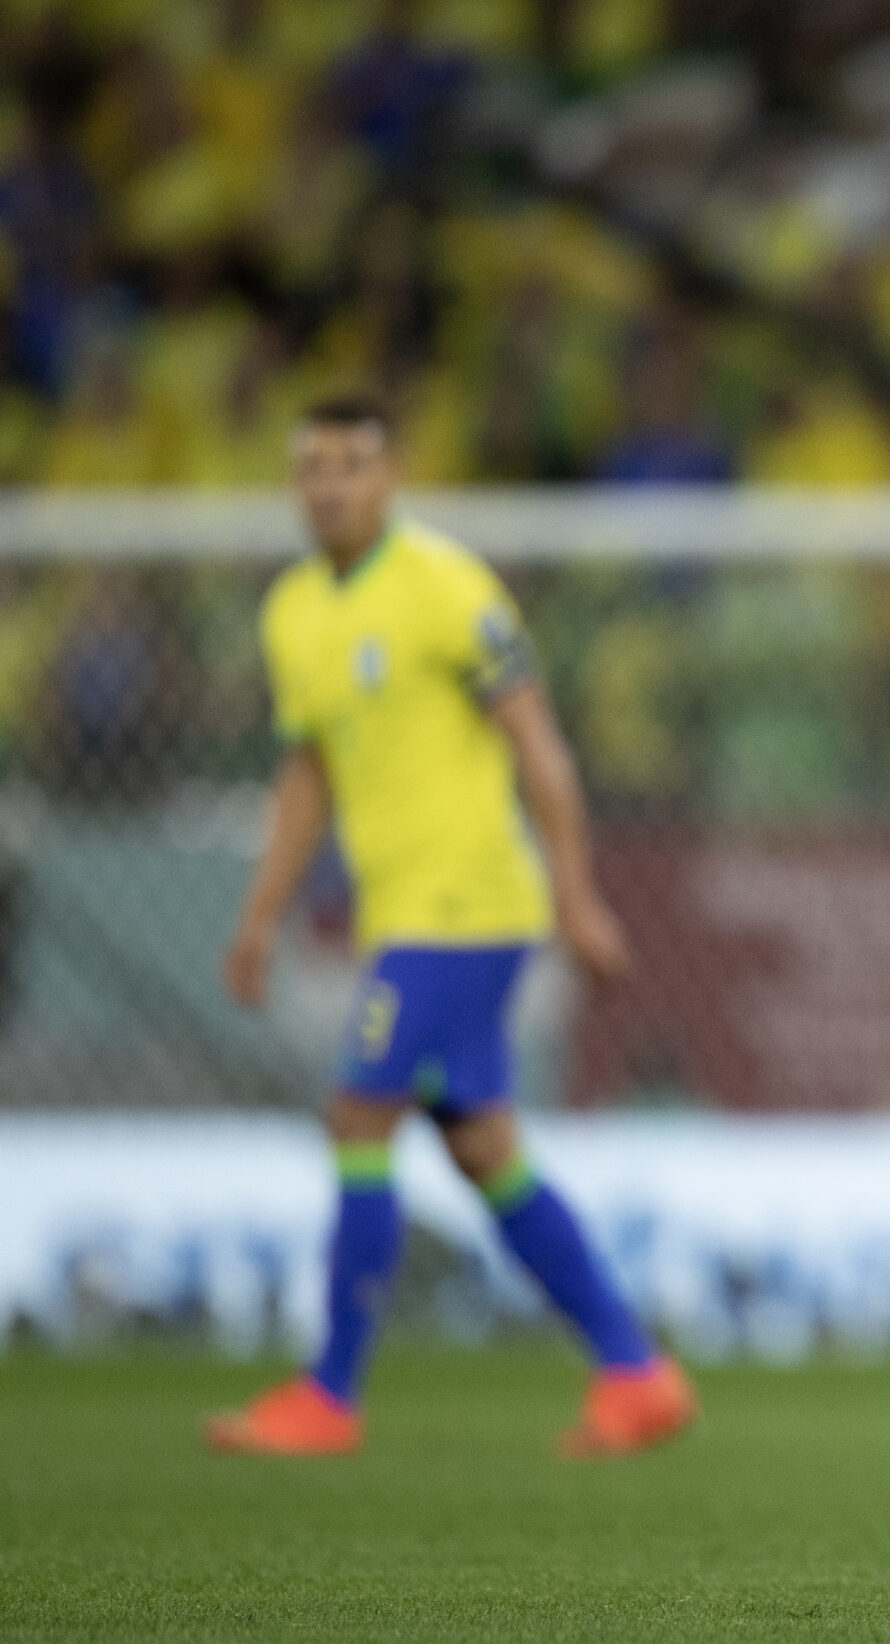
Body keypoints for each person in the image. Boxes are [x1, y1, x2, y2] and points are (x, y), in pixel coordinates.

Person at [206, 395, 695, 1459]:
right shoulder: (293, 609)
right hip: (402, 917)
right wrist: (258, 917)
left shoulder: (444, 587)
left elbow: (538, 745)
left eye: (351, 464)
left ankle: (328, 1396)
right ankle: (636, 1371)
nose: (330, 485)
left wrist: (575, 894)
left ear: (388, 479)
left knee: (357, 1114)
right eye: (312, 467)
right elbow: (306, 774)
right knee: (484, 1150)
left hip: (470, 906)